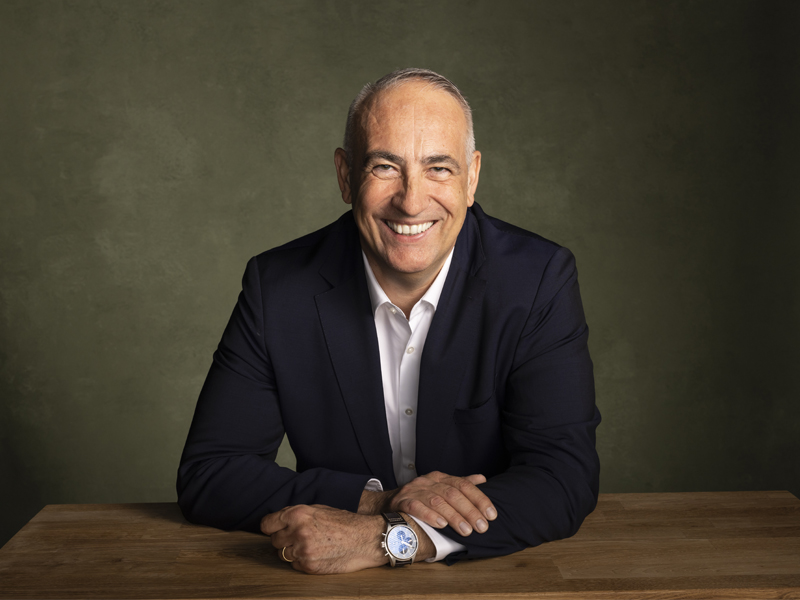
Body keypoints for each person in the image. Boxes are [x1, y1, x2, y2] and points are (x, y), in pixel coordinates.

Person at [177, 68, 600, 574]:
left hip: (495, 579)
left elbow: (563, 478)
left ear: (472, 178)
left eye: (438, 168)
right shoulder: (279, 288)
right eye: (384, 167)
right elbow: (211, 474)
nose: (411, 201)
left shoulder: (537, 279)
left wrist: (391, 538)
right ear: (345, 176)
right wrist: (380, 502)